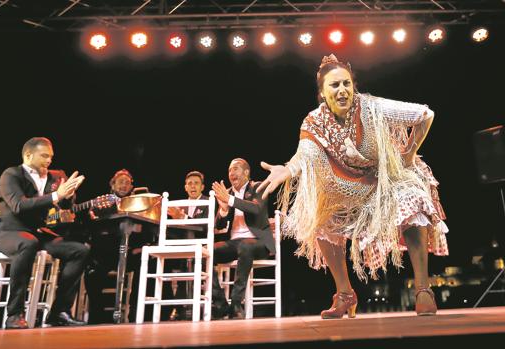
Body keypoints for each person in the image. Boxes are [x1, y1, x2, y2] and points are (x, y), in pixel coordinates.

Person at [257, 54, 449, 318]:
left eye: (346, 83)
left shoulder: (371, 107)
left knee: (414, 198)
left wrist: (408, 154)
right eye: (334, 85)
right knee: (321, 220)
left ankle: (423, 289)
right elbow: (305, 154)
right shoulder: (314, 122)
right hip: (350, 190)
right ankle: (345, 294)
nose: (342, 90)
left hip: (386, 182)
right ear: (323, 93)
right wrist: (287, 169)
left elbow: (424, 115)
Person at [0, 137, 89, 328]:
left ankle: (59, 312)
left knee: (80, 250)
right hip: (10, 233)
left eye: (51, 156)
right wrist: (56, 195)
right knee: (27, 243)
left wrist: (67, 197)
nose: (49, 160)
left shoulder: (55, 176)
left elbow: (62, 206)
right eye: (44, 155)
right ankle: (14, 315)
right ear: (28, 155)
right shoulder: (11, 174)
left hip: (39, 233)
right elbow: (18, 205)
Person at [211, 158, 276, 319]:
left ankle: (236, 303)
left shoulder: (258, 187)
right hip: (233, 243)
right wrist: (224, 210)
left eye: (235, 169)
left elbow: (256, 208)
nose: (231, 173)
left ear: (246, 172)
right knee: (206, 252)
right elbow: (218, 225)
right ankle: (220, 304)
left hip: (258, 242)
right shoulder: (227, 193)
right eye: (229, 170)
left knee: (245, 246)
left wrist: (230, 200)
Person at [84, 169, 139, 324]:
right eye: (120, 182)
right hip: (106, 252)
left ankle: (137, 314)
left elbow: (144, 229)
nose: (124, 185)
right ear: (112, 185)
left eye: (127, 183)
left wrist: (141, 246)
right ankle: (97, 316)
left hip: (130, 252)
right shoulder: (102, 202)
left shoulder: (138, 203)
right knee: (92, 269)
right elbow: (92, 226)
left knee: (147, 262)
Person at [162, 170, 210, 320]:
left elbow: (204, 228)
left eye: (196, 183)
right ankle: (168, 308)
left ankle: (184, 307)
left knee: (189, 259)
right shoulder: (180, 206)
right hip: (181, 247)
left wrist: (182, 217)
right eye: (190, 183)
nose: (193, 186)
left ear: (202, 187)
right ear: (185, 187)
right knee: (161, 262)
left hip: (202, 246)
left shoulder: (208, 203)